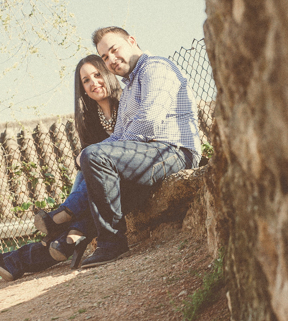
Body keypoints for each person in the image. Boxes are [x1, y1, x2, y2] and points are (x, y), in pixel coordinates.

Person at [0, 54, 122, 281]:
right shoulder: (90, 119)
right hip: (99, 187)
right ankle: (59, 237)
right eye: (85, 80)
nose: (93, 82)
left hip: (124, 180)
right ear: (82, 88)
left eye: (97, 75)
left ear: (108, 75)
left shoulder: (127, 104)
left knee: (88, 170)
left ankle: (59, 220)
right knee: (83, 180)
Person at [78, 26, 202, 267]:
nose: (111, 60)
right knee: (88, 165)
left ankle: (112, 241)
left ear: (132, 41)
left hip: (174, 151)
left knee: (94, 158)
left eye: (114, 50)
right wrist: (88, 154)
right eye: (105, 57)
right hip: (147, 155)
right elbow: (119, 135)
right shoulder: (129, 89)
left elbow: (149, 121)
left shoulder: (156, 67)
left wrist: (98, 154)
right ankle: (28, 257)